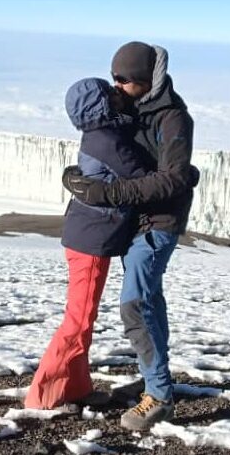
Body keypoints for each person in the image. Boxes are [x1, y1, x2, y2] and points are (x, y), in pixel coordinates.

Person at [63, 42, 198, 431]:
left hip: (159, 222)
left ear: (147, 81)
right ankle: (155, 379)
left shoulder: (173, 118)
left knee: (135, 304)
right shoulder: (134, 106)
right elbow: (107, 149)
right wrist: (74, 178)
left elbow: (173, 179)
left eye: (125, 80)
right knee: (150, 300)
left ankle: (160, 397)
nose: (117, 86)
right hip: (136, 221)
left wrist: (109, 194)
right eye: (114, 78)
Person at [25, 77, 146, 410]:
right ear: (100, 106)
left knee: (83, 318)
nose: (117, 94)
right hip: (92, 240)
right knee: (78, 320)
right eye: (109, 93)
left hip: (87, 236)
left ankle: (76, 387)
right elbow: (141, 176)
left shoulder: (100, 134)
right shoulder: (107, 140)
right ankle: (42, 396)